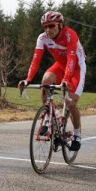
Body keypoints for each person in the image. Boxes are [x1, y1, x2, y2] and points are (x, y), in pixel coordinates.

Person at [18, 11, 86, 151]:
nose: (48, 30)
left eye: (51, 26)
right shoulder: (42, 38)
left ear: (60, 25)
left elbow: (72, 60)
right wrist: (28, 79)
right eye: (45, 27)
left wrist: (66, 80)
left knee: (70, 102)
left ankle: (77, 134)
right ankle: (49, 116)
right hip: (60, 66)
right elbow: (35, 61)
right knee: (46, 80)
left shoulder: (69, 35)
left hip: (76, 68)